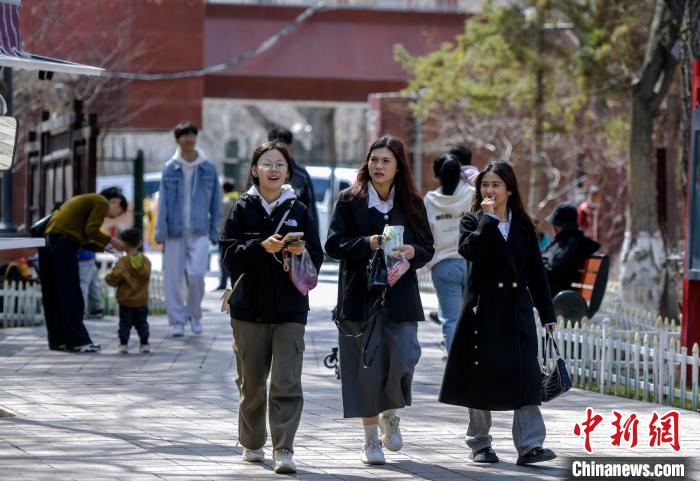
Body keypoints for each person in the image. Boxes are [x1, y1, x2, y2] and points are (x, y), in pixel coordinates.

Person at [439, 161, 558, 466]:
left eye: (496, 185)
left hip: (516, 310)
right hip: (483, 310)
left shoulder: (523, 225)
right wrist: (488, 221)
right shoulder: (472, 221)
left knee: (526, 375)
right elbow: (470, 252)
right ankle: (480, 443)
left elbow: (536, 273)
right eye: (484, 185)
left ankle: (530, 445)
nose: (489, 190)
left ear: (509, 189)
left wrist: (547, 314)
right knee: (480, 376)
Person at [325, 136, 434, 466]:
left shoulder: (412, 203)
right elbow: (333, 245)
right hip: (359, 296)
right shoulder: (349, 200)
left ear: (398, 165)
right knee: (365, 370)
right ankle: (371, 439)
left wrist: (413, 252)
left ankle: (391, 410)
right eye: (374, 160)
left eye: (386, 160)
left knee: (404, 357)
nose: (378, 166)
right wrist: (368, 243)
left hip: (400, 297)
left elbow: (427, 247)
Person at [220, 141, 323, 475]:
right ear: (255, 170)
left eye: (280, 164)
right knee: (251, 384)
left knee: (286, 381)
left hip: (291, 308)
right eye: (267, 163)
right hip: (248, 307)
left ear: (287, 172)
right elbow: (228, 256)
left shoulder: (300, 210)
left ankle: (284, 447)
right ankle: (252, 443)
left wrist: (300, 254)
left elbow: (318, 257)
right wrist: (260, 247)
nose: (274, 169)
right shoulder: (241, 208)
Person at [39, 188, 127, 352]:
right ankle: (78, 342)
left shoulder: (86, 200)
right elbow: (90, 231)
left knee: (55, 296)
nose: (114, 217)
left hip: (49, 243)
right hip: (63, 246)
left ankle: (58, 340)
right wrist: (112, 241)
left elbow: (83, 238)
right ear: (115, 201)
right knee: (72, 295)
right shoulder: (100, 201)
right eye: (118, 212)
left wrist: (104, 247)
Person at [155, 121, 222, 337]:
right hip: (175, 231)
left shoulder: (207, 167)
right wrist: (161, 231)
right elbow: (163, 202)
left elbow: (216, 203)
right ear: (178, 140)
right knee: (173, 279)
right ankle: (177, 321)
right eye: (185, 135)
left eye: (193, 134)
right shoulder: (170, 167)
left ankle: (194, 315)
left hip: (200, 230)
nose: (189, 139)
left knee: (197, 275)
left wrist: (214, 231)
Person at [424, 154, 474, 352]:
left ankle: (454, 364)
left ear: (438, 175)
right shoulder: (472, 194)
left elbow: (425, 233)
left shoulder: (430, 200)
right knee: (472, 317)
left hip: (444, 265)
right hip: (471, 263)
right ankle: (472, 363)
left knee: (450, 319)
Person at [105, 228, 152, 354]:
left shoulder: (123, 262)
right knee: (142, 323)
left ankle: (123, 344)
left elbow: (114, 277)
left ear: (123, 244)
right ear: (140, 243)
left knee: (125, 324)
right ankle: (144, 343)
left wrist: (108, 279)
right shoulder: (146, 262)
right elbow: (147, 275)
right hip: (142, 300)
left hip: (126, 300)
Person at [267, 127, 319, 235]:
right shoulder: (259, 173)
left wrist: (312, 243)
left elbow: (310, 210)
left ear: (290, 147)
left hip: (294, 238)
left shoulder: (301, 175)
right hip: (265, 239)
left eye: (281, 148)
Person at [542, 203, 601, 297]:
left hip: (554, 294)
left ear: (559, 226)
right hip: (547, 290)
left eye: (554, 224)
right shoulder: (562, 242)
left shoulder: (570, 244)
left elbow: (555, 272)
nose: (553, 228)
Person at [216, 181, 240, 290]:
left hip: (225, 234)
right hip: (238, 234)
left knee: (223, 260)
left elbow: (220, 219)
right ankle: (235, 283)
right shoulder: (239, 200)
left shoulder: (224, 201)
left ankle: (223, 283)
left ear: (223, 189)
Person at [77, 249, 104, 318]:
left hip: (81, 256)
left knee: (83, 285)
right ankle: (96, 309)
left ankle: (81, 310)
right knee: (93, 285)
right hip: (90, 255)